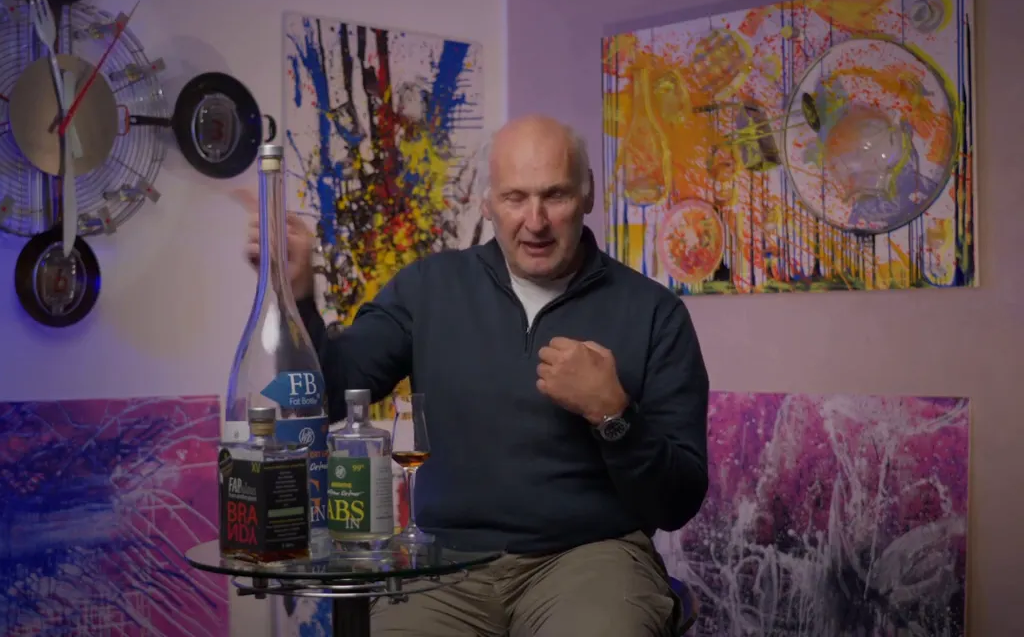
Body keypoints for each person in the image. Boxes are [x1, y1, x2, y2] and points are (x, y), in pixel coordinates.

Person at [239, 114, 710, 636]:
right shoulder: (427, 289)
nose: (535, 220)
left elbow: (677, 502)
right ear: (488, 203)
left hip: (589, 559)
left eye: (554, 195)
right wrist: (298, 296)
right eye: (515, 198)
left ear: (587, 195)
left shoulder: (653, 313)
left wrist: (613, 415)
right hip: (444, 564)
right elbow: (327, 395)